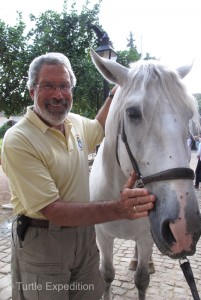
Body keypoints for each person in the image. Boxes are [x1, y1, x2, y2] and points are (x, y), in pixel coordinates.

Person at [1, 53, 156, 300]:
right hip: (44, 243)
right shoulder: (19, 139)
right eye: (48, 86)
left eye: (64, 85)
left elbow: (100, 125)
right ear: (32, 91)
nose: (58, 94)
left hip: (85, 240)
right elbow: (54, 210)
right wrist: (119, 209)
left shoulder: (74, 123)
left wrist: (117, 90)